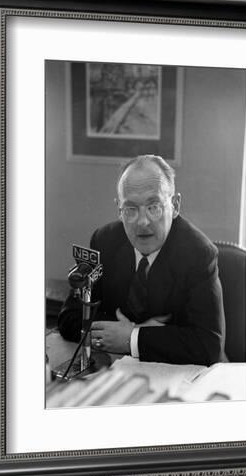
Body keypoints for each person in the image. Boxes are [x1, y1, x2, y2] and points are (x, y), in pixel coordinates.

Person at [58, 155, 226, 365]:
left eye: (153, 206)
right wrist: (120, 334)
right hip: (119, 370)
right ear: (118, 209)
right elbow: (69, 317)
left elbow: (207, 346)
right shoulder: (104, 240)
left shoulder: (198, 253)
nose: (142, 222)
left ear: (175, 205)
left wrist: (132, 338)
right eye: (130, 209)